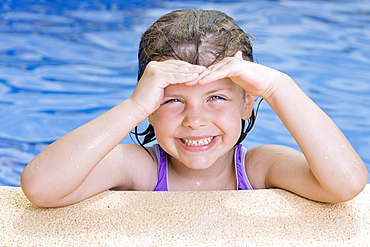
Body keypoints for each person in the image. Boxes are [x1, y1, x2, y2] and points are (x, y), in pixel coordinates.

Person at [21, 9, 368, 207]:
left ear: (246, 103)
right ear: (151, 110)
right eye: (172, 100)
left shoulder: (258, 167)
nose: (195, 120)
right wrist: (134, 104)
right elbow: (41, 187)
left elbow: (346, 184)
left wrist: (280, 86)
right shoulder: (140, 169)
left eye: (216, 97)